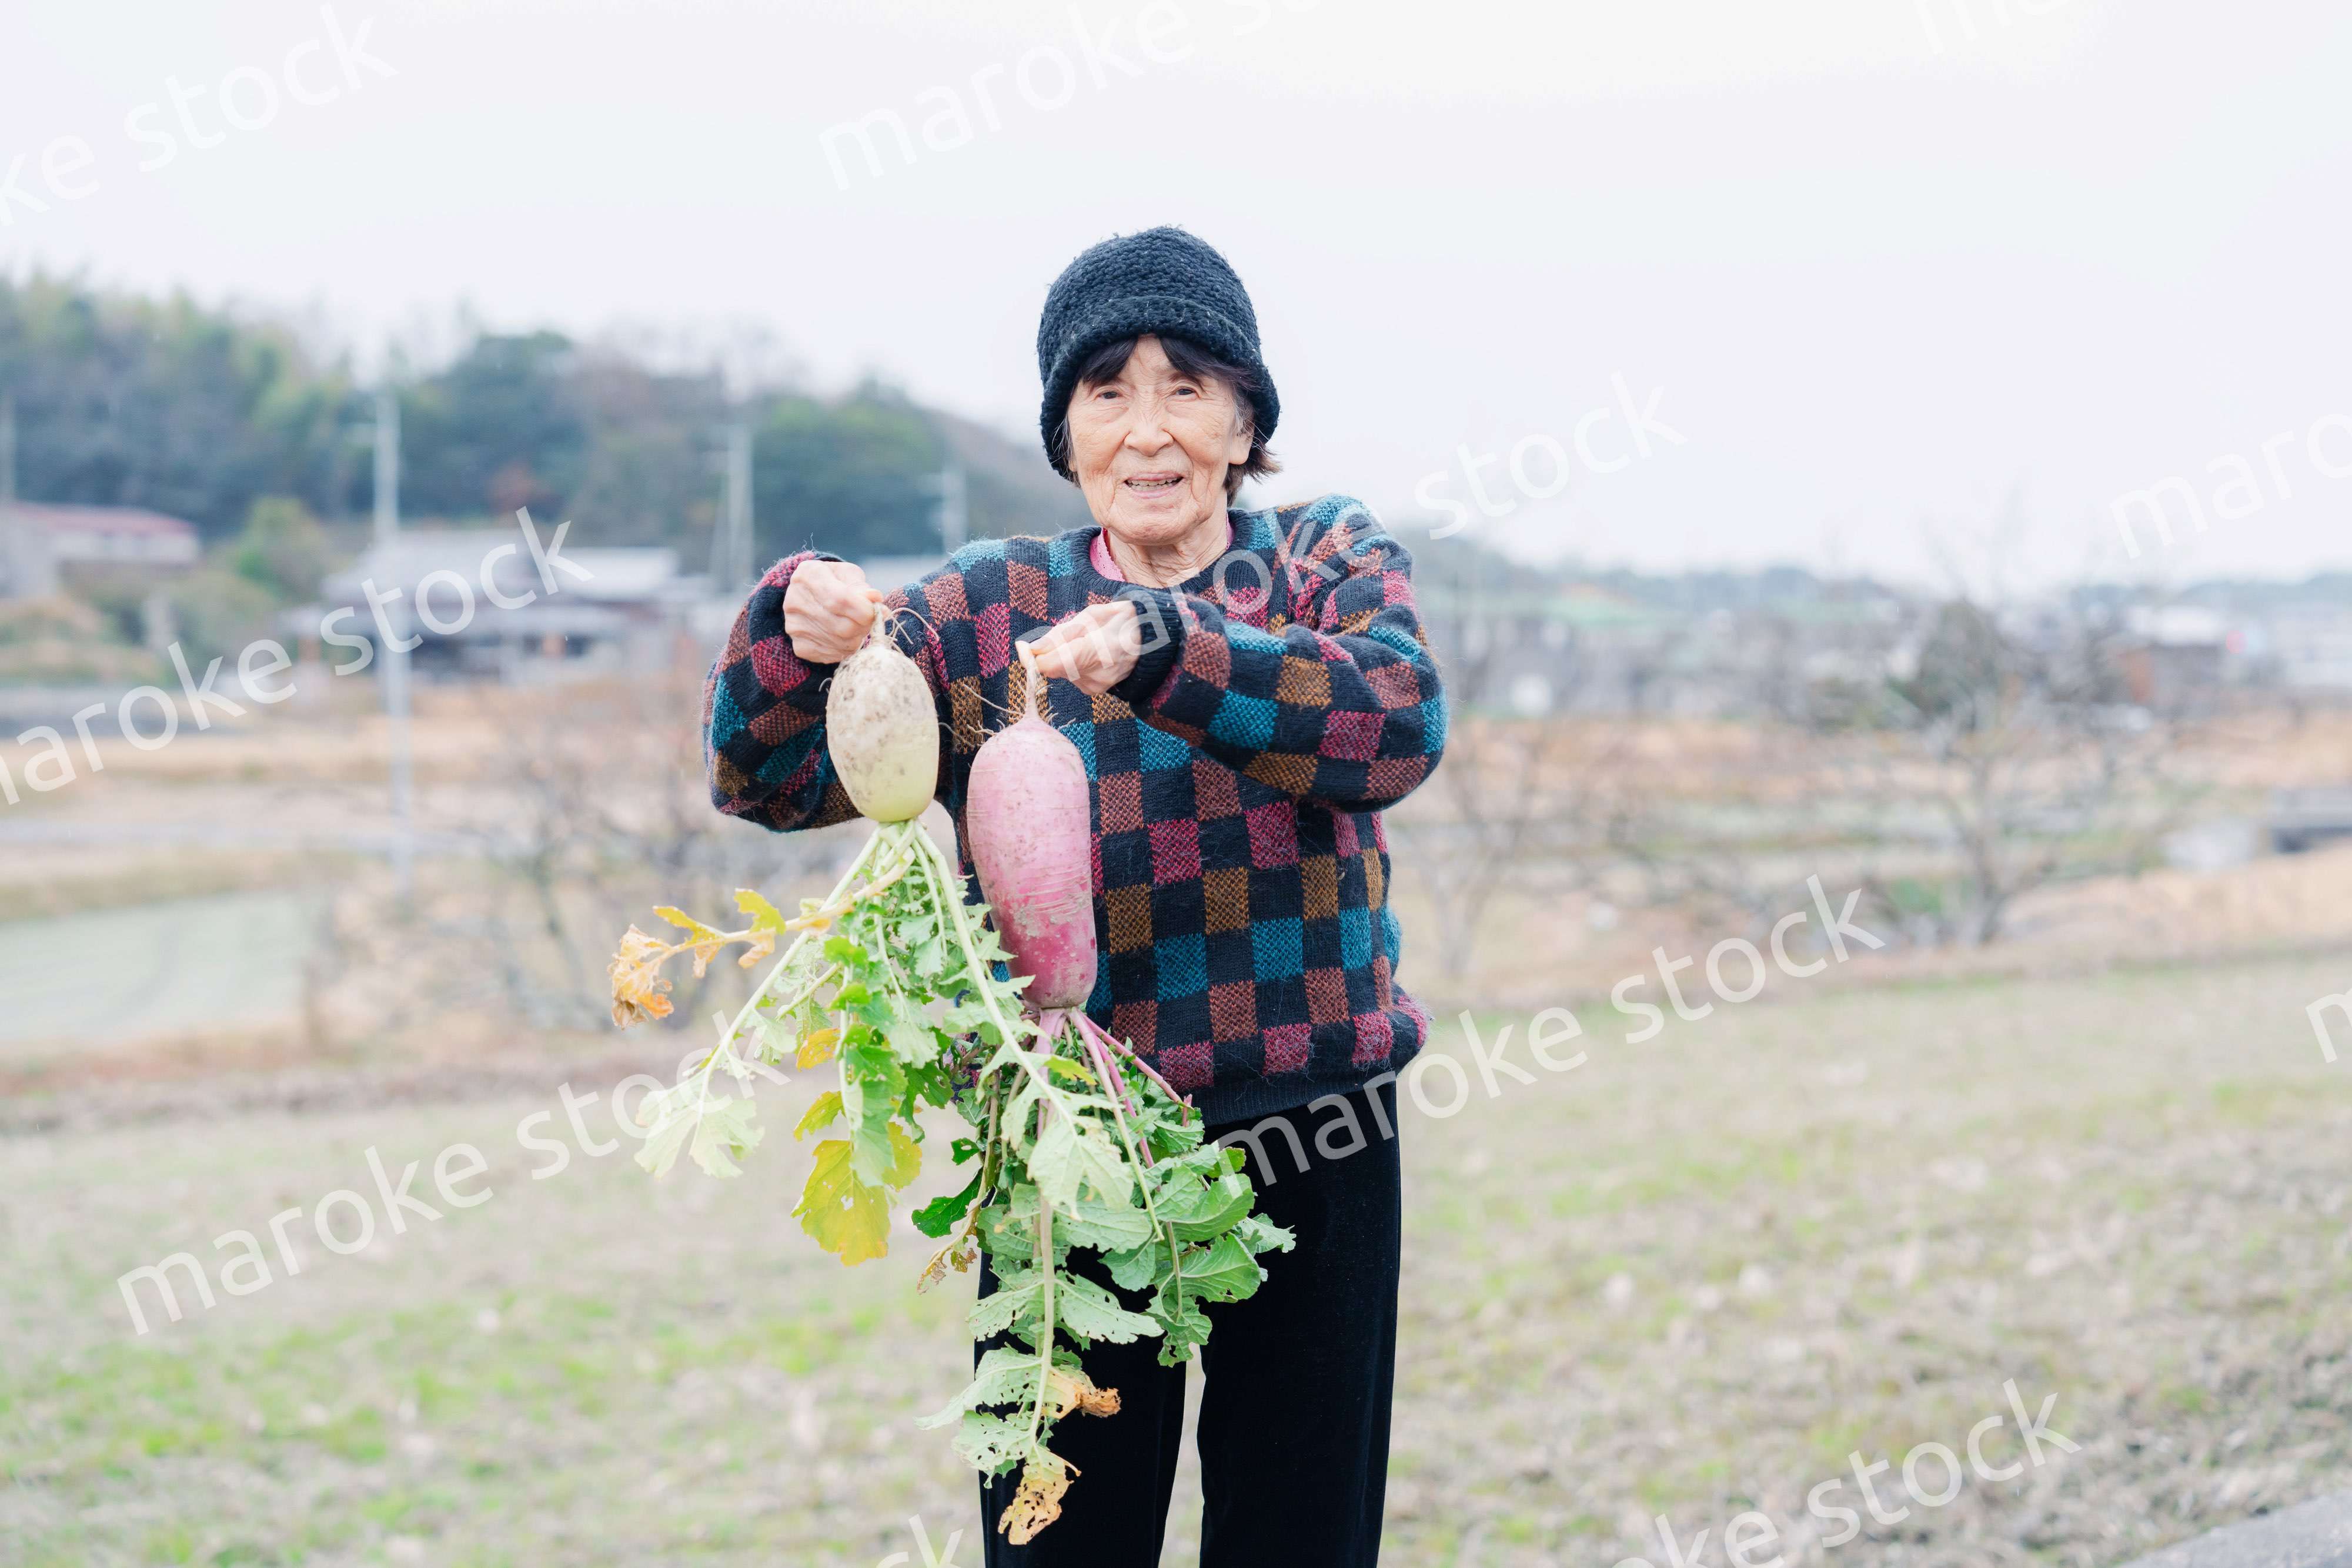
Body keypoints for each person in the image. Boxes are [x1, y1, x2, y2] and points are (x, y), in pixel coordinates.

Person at [703, 226, 1446, 1566]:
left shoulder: (1319, 560)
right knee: (1062, 1546)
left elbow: (1390, 722)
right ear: (1065, 429)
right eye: (1106, 389)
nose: (1146, 427)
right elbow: (768, 780)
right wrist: (788, 630)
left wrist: (1164, 647)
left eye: (1184, 386)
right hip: (1071, 1149)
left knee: (1299, 1536)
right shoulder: (990, 607)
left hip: (1316, 1130)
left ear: (1241, 418)